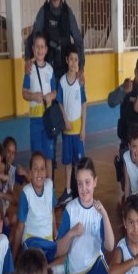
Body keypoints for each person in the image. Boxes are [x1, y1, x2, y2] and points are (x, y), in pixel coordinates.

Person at [56, 157, 115, 274]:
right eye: (80, 183)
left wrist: (105, 215)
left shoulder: (99, 211)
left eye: (87, 182)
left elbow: (110, 246)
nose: (84, 188)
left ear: (95, 181)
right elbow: (59, 251)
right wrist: (71, 233)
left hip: (96, 266)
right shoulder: (70, 210)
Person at [25, 0, 85, 82]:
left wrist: (81, 67)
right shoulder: (43, 11)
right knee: (49, 98)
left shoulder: (68, 13)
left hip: (66, 70)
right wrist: (28, 59)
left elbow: (78, 40)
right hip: (48, 69)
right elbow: (33, 36)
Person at [13, 152, 57, 263]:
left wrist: (55, 232)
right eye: (35, 168)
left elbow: (51, 211)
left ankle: (48, 269)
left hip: (48, 241)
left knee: (70, 252)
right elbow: (20, 227)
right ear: (30, 172)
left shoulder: (49, 185)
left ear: (46, 172)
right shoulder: (26, 193)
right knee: (38, 257)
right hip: (32, 241)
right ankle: (48, 269)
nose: (39, 172)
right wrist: (13, 257)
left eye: (42, 168)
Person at [22, 32, 57, 174]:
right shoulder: (29, 69)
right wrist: (32, 96)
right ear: (33, 48)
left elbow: (55, 91)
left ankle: (48, 186)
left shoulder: (50, 69)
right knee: (37, 157)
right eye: (37, 46)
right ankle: (37, 186)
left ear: (46, 49)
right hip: (35, 121)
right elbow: (24, 93)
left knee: (48, 157)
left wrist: (50, 95)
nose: (40, 50)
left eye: (42, 47)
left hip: (48, 120)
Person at [57, 44, 87, 205]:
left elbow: (84, 104)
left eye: (76, 60)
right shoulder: (62, 82)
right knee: (67, 162)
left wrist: (83, 127)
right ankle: (68, 191)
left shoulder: (80, 83)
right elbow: (60, 103)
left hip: (77, 131)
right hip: (67, 131)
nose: (74, 63)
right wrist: (65, 120)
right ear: (66, 60)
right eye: (71, 59)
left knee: (80, 164)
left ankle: (81, 190)